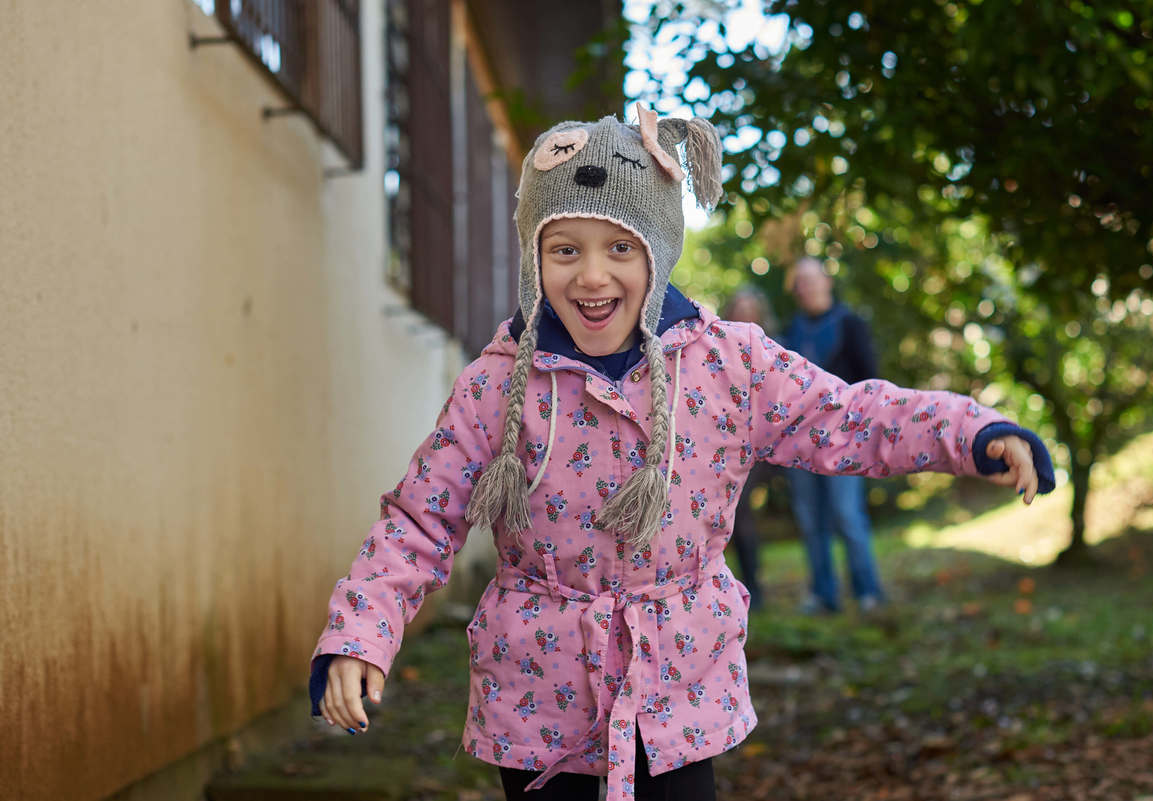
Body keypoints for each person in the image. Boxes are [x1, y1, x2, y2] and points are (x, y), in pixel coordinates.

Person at [308, 106, 1055, 801]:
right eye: (564, 249)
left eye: (620, 249)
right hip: (536, 699)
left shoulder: (728, 365)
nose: (592, 276)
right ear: (536, 260)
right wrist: (359, 635)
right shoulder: (498, 384)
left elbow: (850, 416)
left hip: (679, 693)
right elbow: (418, 519)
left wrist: (971, 433)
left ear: (659, 252)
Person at [781, 257, 887, 614]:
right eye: (800, 283)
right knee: (812, 521)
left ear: (827, 282)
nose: (807, 287)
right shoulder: (790, 332)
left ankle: (867, 591)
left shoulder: (851, 324)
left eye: (812, 280)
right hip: (799, 442)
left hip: (845, 438)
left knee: (847, 514)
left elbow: (870, 380)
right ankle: (823, 594)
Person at [719, 285, 778, 610]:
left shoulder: (770, 347)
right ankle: (739, 584)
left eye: (749, 307)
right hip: (729, 441)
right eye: (738, 307)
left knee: (740, 513)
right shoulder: (718, 348)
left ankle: (753, 584)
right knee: (734, 514)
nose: (743, 313)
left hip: (761, 446)